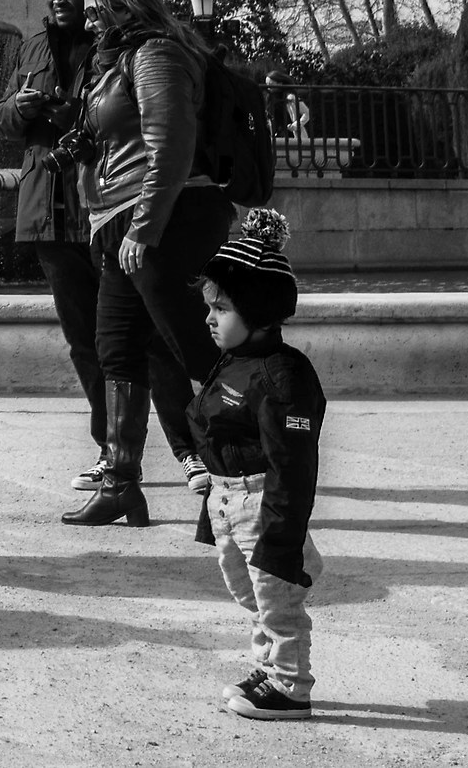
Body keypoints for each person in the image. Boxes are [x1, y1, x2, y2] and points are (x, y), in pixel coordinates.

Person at [0, 0, 194, 492]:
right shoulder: (32, 48)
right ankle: (112, 452)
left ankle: (188, 445)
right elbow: (2, 118)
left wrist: (73, 120)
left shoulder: (129, 52)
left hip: (108, 210)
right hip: (49, 211)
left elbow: (150, 136)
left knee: (146, 338)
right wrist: (19, 107)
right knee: (92, 342)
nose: (65, 4)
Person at [62, 0, 234, 527]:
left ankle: (236, 477)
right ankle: (120, 485)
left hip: (167, 217)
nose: (89, 20)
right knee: (116, 348)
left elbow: (171, 146)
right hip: (119, 220)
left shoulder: (158, 54)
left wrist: (144, 227)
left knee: (193, 348)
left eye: (96, 9)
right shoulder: (113, 64)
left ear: (124, 7)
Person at [189, 208, 324, 721]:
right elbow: (208, 418)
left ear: (258, 311)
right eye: (209, 306)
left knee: (277, 598)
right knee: (250, 595)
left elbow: (293, 467)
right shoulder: (235, 359)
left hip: (261, 502)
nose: (208, 318)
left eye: (220, 308)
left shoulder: (283, 377)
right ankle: (267, 670)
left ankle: (290, 687)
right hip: (228, 500)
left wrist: (281, 538)